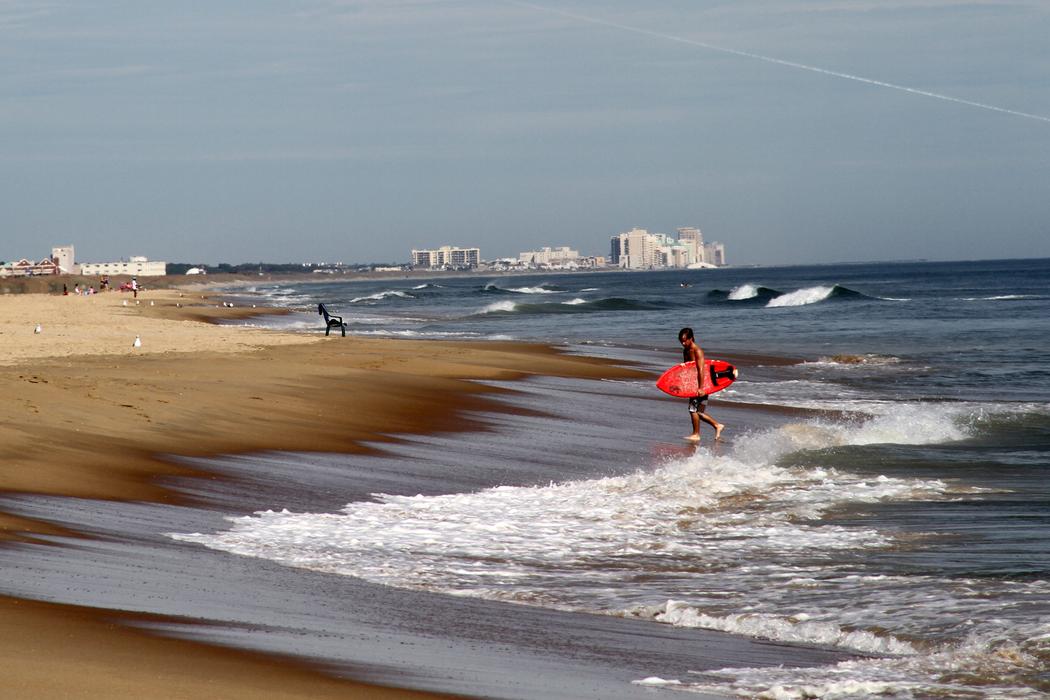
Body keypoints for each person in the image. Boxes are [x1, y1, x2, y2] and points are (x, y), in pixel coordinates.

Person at [678, 327, 724, 443]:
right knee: (699, 412)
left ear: (691, 338)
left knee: (693, 410)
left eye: (685, 341)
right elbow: (688, 367)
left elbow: (701, 370)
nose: (683, 343)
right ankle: (717, 426)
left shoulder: (697, 351)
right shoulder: (686, 350)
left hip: (701, 384)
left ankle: (696, 434)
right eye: (681, 341)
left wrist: (701, 388)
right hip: (693, 383)